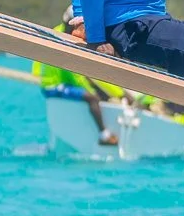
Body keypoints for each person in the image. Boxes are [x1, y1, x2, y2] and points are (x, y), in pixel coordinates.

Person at [34, 7, 126, 145]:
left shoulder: (56, 31)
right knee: (92, 98)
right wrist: (96, 92)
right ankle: (104, 135)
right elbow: (74, 75)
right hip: (52, 85)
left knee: (95, 94)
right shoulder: (67, 40)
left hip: (59, 82)